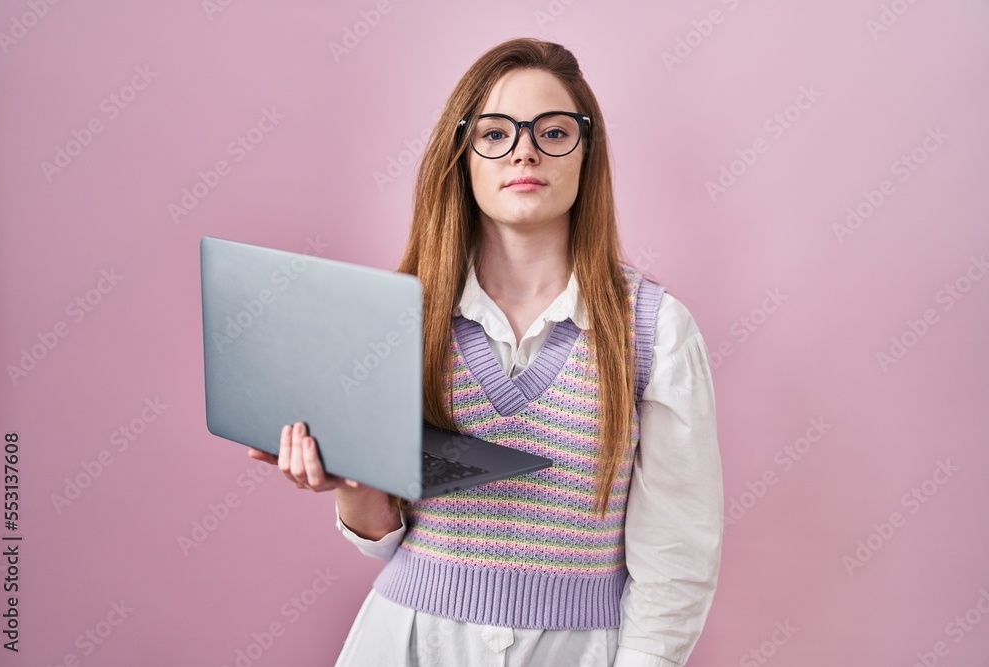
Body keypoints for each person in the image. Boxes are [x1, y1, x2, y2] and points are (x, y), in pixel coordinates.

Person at [249, 37, 724, 667]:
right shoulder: (399, 315)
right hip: (405, 641)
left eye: (553, 132)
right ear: (463, 154)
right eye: (496, 133)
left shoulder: (656, 330)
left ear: (588, 154)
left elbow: (677, 558)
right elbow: (381, 538)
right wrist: (351, 483)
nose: (524, 149)